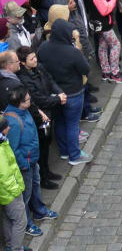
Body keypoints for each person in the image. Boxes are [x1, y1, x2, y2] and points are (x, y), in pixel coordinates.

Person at [36, 19, 92, 166]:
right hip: (73, 93)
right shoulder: (72, 52)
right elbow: (85, 69)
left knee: (60, 122)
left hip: (54, 95)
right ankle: (74, 155)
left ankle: (64, 152)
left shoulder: (43, 48)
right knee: (72, 124)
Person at [4, 87, 54, 238]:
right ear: (19, 103)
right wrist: (24, 164)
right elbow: (13, 148)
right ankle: (27, 224)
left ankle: (40, 211)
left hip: (32, 159)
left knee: (35, 186)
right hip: (25, 164)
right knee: (25, 196)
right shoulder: (12, 121)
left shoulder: (24, 111)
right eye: (27, 99)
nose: (30, 100)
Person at [16, 48, 63, 192]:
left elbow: (50, 80)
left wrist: (59, 93)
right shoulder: (24, 79)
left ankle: (47, 171)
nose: (35, 60)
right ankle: (43, 177)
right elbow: (37, 98)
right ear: (23, 63)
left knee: (47, 143)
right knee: (41, 146)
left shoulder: (39, 68)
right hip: (40, 114)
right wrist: (56, 99)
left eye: (35, 57)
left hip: (49, 110)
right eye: (31, 59)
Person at [83, 0, 122, 83]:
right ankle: (115, 72)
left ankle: (106, 71)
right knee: (115, 45)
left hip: (97, 24)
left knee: (102, 46)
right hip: (104, 24)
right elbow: (104, 10)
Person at [0, 116, 26, 251]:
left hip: (4, 194)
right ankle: (16, 248)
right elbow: (4, 174)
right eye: (6, 126)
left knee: (7, 219)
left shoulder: (2, 142)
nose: (9, 128)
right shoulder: (0, 148)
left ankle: (10, 245)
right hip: (9, 193)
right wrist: (16, 190)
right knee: (21, 221)